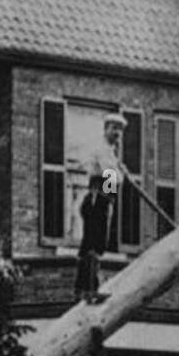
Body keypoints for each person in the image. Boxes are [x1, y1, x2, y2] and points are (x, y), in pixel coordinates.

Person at [74, 111, 126, 302]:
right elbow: (110, 177)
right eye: (114, 129)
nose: (117, 134)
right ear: (106, 130)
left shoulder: (111, 152)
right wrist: (120, 175)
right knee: (94, 243)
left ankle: (84, 288)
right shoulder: (103, 150)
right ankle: (90, 288)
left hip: (103, 198)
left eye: (120, 130)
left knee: (94, 243)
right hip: (99, 199)